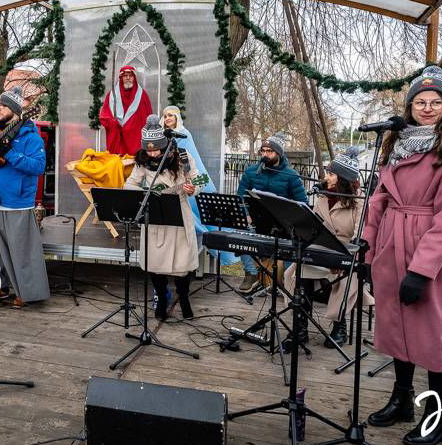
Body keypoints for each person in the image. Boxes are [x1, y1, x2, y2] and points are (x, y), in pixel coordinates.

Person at [363, 65, 442, 445]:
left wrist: (421, 270)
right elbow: (379, 199)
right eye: (420, 102)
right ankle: (402, 400)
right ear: (410, 107)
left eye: (436, 102)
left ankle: (436, 417)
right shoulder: (396, 147)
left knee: (433, 335)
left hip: (427, 250)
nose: (427, 108)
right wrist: (367, 248)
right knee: (397, 327)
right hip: (390, 246)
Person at [282, 147, 373, 350]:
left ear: (343, 179)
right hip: (321, 248)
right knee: (298, 272)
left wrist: (341, 258)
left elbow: (360, 235)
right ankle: (300, 329)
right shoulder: (323, 196)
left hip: (346, 252)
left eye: (331, 174)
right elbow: (314, 226)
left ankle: (340, 326)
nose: (326, 177)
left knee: (345, 279)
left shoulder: (359, 201)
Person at [125, 115, 202, 320]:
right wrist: (145, 195)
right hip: (155, 214)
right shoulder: (142, 160)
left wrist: (193, 188)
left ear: (165, 143)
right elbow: (130, 184)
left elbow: (198, 179)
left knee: (182, 264)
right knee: (155, 261)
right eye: (148, 150)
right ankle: (161, 298)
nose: (152, 153)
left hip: (179, 213)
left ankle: (184, 298)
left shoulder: (182, 156)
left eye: (156, 149)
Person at [0, 88, 49, 308]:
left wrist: (9, 154)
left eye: (3, 105)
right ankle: (0, 286)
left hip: (17, 204)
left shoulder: (31, 137)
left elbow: (38, 167)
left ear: (16, 110)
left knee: (22, 252)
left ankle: (26, 292)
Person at [161, 105, 236, 265]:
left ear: (176, 117)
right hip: (167, 180)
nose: (167, 118)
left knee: (196, 212)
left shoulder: (184, 134)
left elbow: (189, 158)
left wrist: (188, 179)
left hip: (184, 176)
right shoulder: (162, 134)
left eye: (170, 115)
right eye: (165, 116)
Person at [236, 133, 307, 295]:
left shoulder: (291, 175)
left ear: (279, 154)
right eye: (263, 151)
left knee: (295, 239)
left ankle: (287, 281)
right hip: (256, 221)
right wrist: (246, 214)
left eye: (270, 151)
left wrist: (289, 217)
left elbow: (302, 203)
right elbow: (240, 198)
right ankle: (251, 273)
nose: (265, 154)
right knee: (240, 230)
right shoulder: (251, 172)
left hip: (282, 224)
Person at [99, 65, 153, 156]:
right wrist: (112, 122)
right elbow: (104, 115)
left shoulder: (142, 95)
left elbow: (148, 116)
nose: (128, 78)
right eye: (125, 76)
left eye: (130, 76)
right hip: (117, 138)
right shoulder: (112, 95)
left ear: (134, 78)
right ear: (121, 78)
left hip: (135, 139)